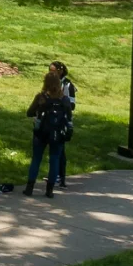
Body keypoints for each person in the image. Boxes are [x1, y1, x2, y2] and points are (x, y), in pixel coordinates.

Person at [25, 71, 75, 198]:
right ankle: (49, 190)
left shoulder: (41, 97)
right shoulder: (64, 99)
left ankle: (29, 188)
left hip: (41, 132)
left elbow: (29, 112)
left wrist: (38, 113)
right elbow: (69, 117)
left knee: (36, 158)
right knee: (54, 160)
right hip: (58, 133)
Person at [49, 61, 78, 189]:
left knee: (61, 150)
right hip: (52, 119)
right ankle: (55, 174)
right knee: (55, 148)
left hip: (62, 121)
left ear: (60, 71)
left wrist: (60, 101)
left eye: (52, 71)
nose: (50, 73)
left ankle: (61, 177)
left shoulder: (68, 85)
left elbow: (72, 105)